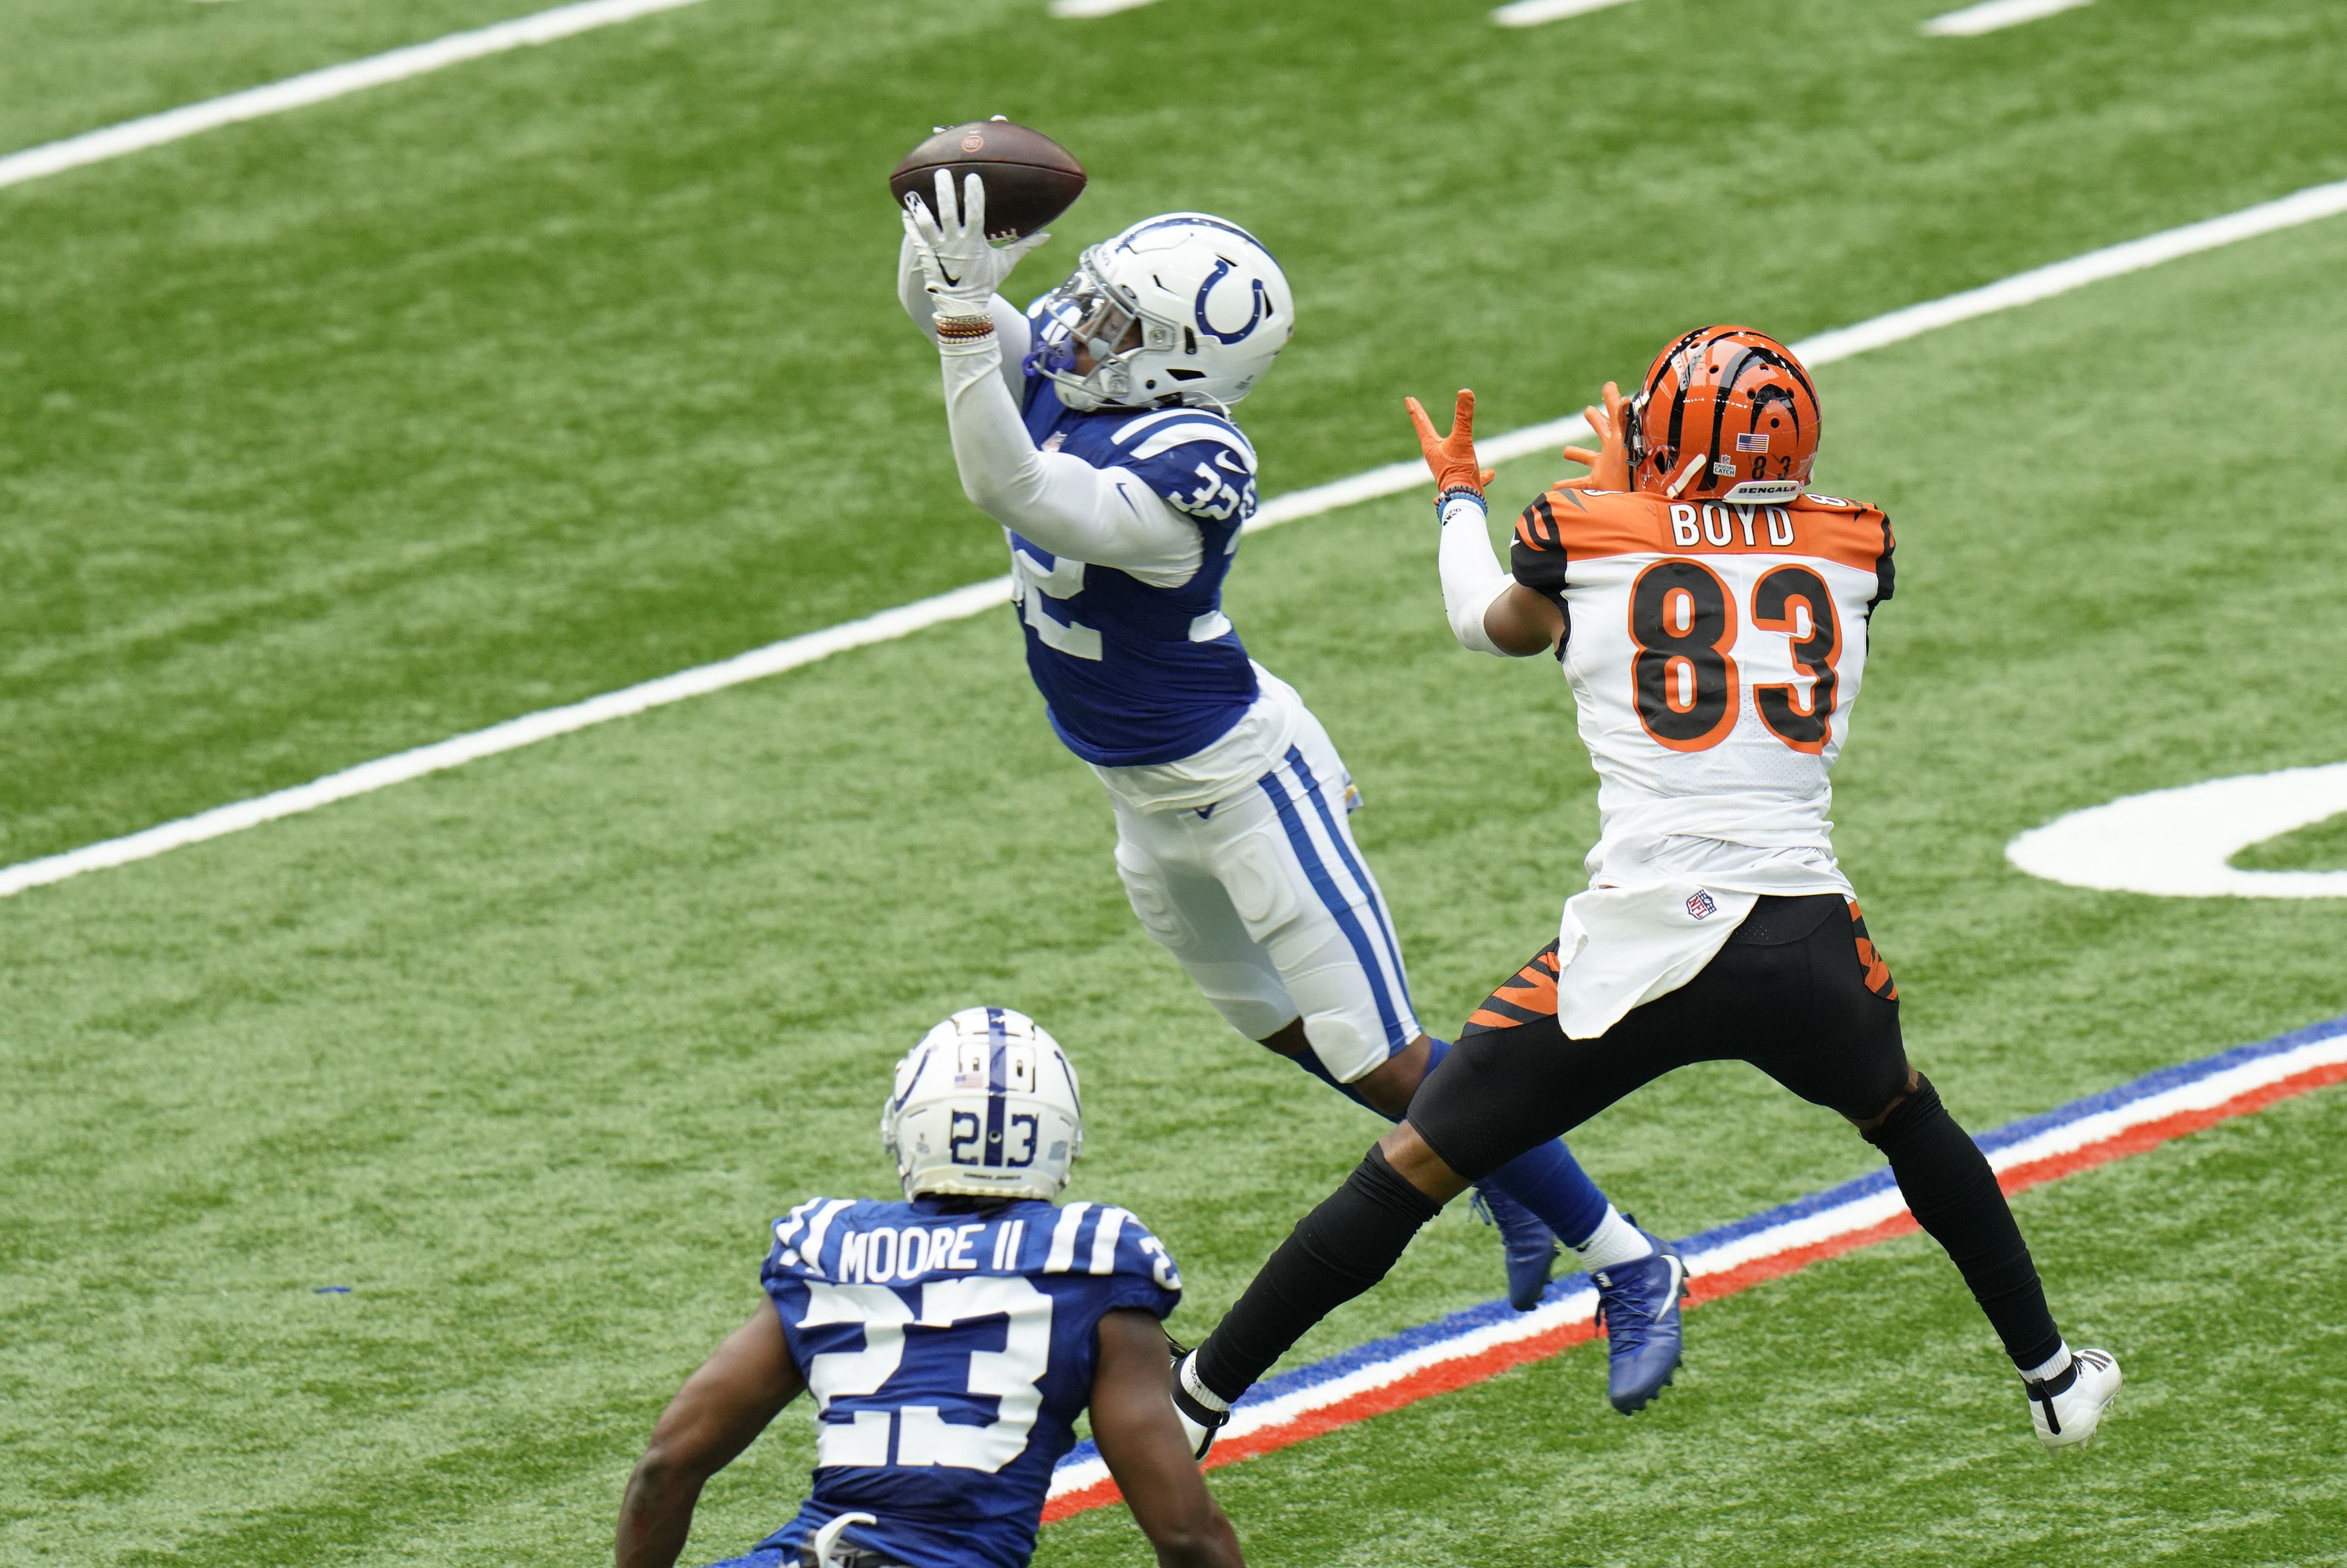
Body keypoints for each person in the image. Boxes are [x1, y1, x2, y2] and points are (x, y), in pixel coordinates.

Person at [1166, 326, 2122, 1457]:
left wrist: (1460, 496)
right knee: (1905, 1116)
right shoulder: (1856, 547)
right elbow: (1718, 559)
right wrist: (1664, 496)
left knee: (1418, 1161)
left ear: (1661, 442)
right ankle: (2051, 1377)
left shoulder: (1579, 537)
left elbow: (1488, 623)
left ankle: (1200, 1398)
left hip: (1641, 948)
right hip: (1805, 942)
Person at [892, 169, 1685, 1409]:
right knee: (1283, 1028)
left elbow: (1011, 483)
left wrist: (957, 321)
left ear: (1181, 364)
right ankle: (1491, 1175)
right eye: (1090, 303)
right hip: (1139, 795)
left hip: (1245, 789)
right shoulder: (1100, 373)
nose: (1075, 329)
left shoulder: (1193, 456)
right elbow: (960, 324)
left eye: (1114, 322)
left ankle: (1630, 1261)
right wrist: (943, 267)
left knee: (1387, 1051)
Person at [613, 1007, 1243, 1568]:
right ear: (1058, 1139)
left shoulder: (831, 1247)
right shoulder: (1091, 1262)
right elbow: (1187, 1537)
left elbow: (667, 1467)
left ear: (908, 1128)